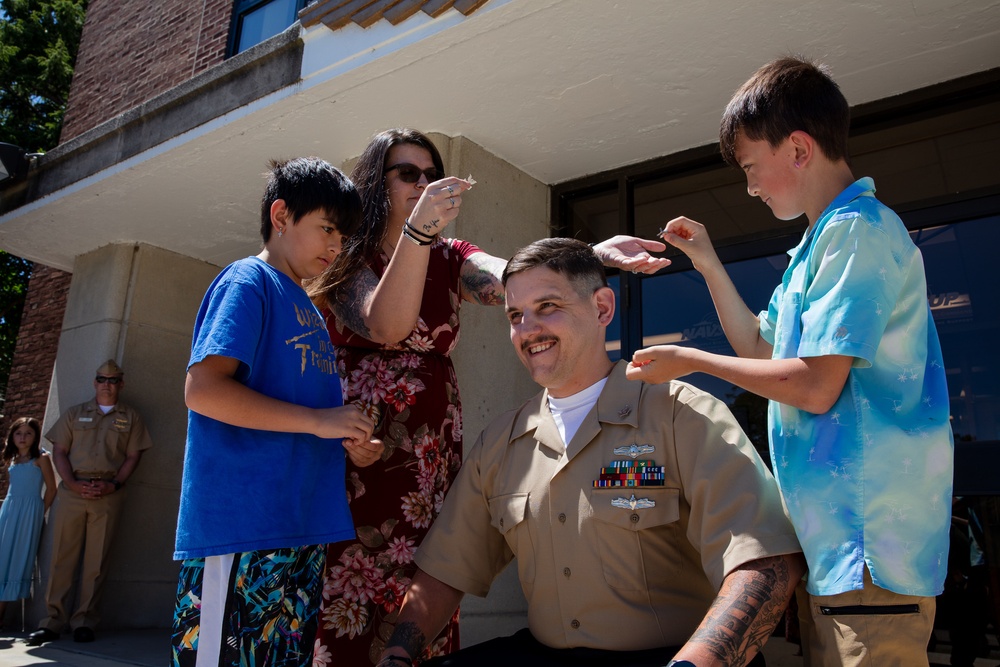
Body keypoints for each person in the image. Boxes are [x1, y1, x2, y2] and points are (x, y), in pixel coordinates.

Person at [626, 57, 953, 667]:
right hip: (836, 548)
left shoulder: (859, 230)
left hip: (869, 544)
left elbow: (814, 387)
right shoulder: (818, 243)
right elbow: (759, 346)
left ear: (798, 149)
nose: (748, 186)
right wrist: (708, 264)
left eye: (751, 166)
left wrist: (691, 360)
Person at [306, 128, 671, 664]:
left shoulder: (450, 256)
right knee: (350, 594)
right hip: (356, 460)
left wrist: (593, 255)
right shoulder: (347, 259)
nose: (424, 182)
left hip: (429, 456)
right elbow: (387, 325)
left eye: (432, 173)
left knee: (432, 571)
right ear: (377, 183)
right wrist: (417, 233)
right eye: (409, 173)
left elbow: (514, 280)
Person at [375, 237, 805, 667]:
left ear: (602, 308)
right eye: (515, 315)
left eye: (547, 307)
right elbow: (446, 569)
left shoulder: (678, 413)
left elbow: (767, 563)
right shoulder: (501, 442)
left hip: (675, 656)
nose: (527, 330)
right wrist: (397, 655)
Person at [170, 157, 383, 667]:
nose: (336, 247)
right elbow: (202, 391)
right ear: (281, 214)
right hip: (242, 529)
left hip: (302, 526)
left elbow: (306, 416)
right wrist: (319, 421)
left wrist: (350, 437)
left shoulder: (309, 307)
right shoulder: (248, 280)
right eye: (327, 228)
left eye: (343, 236)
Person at [26, 358, 153, 645]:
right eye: (101, 379)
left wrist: (114, 484)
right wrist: (71, 483)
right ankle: (52, 621)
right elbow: (59, 451)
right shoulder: (74, 414)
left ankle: (84, 620)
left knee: (97, 561)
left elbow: (134, 456)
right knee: (61, 557)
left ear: (121, 384)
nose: (106, 385)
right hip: (73, 490)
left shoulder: (131, 417)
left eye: (113, 380)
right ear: (94, 382)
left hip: (109, 492)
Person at [0, 417, 56, 623]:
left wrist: (40, 511)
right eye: (18, 433)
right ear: (12, 436)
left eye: (28, 433)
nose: (23, 438)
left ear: (35, 437)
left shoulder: (41, 458)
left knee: (15, 559)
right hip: (9, 510)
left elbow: (52, 488)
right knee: (2, 556)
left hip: (29, 512)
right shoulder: (13, 459)